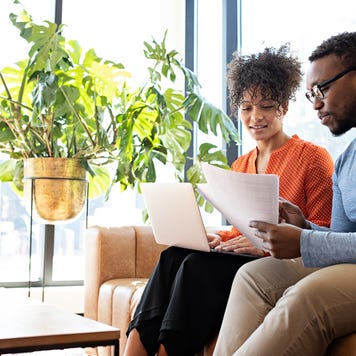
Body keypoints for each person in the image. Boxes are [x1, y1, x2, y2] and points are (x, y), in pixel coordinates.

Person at [123, 45, 334, 356]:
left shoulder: (313, 158)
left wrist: (263, 247)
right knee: (173, 256)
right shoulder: (241, 164)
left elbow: (324, 232)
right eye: (246, 108)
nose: (255, 117)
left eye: (265, 106)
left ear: (284, 108)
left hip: (282, 264)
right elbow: (241, 230)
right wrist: (212, 237)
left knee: (196, 268)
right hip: (245, 258)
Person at [213, 31, 356, 356]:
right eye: (310, 95)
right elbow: (340, 239)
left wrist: (303, 241)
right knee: (253, 277)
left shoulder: (314, 156)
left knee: (306, 296)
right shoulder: (347, 159)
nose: (317, 103)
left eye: (323, 89)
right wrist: (305, 226)